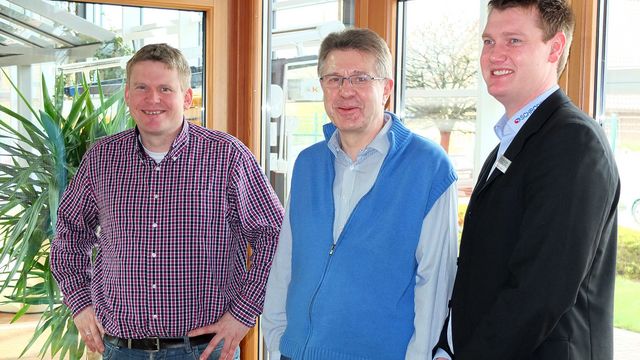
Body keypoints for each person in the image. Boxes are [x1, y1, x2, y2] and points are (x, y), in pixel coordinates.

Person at [51, 43, 284, 360]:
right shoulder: (101, 159)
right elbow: (70, 232)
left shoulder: (228, 157)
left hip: (204, 350)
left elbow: (274, 236)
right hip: (120, 349)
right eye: (142, 88)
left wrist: (244, 313)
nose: (153, 99)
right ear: (128, 96)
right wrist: (79, 302)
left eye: (165, 88)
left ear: (187, 98)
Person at [434, 1, 620, 359]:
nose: (494, 55)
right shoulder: (511, 143)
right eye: (488, 41)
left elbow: (540, 291)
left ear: (555, 48)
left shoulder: (573, 143)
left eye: (514, 41)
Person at [262, 28, 459, 360]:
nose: (345, 91)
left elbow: (435, 282)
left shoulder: (428, 166)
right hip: (295, 352)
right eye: (334, 79)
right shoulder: (308, 162)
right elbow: (287, 259)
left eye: (360, 79)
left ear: (386, 89)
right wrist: (277, 336)